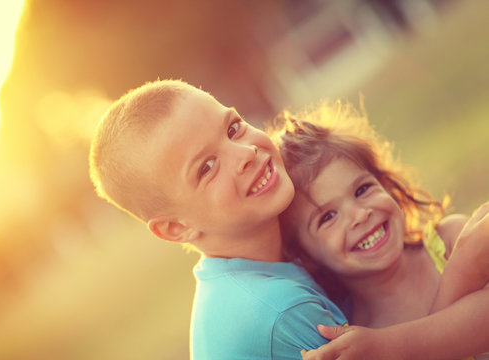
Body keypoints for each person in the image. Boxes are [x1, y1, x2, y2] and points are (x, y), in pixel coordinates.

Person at [88, 79, 348, 359]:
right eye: (207, 167)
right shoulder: (281, 311)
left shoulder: (238, 281)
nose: (246, 153)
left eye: (233, 129)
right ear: (177, 227)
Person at [271, 101, 489, 359]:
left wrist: (462, 265)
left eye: (362, 190)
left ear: (384, 183)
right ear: (305, 256)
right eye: (328, 217)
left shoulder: (451, 240)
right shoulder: (357, 337)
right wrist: (464, 272)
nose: (360, 215)